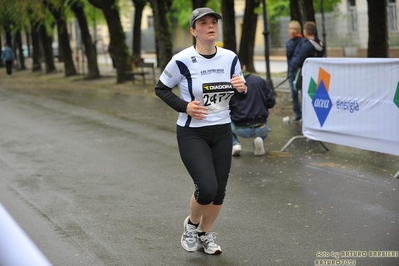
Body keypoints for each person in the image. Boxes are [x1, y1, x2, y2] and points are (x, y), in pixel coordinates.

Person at [154, 7, 247, 255]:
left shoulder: (230, 58)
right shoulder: (182, 60)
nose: (210, 26)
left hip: (223, 131)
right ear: (194, 31)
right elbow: (161, 89)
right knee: (206, 188)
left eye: (213, 21)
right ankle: (191, 227)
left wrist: (241, 90)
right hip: (192, 132)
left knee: (219, 191)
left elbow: (236, 101)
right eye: (203, 23)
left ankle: (205, 234)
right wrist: (185, 106)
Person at [230, 66, 275, 156]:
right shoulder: (259, 80)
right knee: (263, 126)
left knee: (223, 120)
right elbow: (271, 102)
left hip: (239, 127)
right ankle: (259, 140)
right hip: (261, 126)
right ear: (244, 67)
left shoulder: (229, 84)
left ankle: (235, 144)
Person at [285, 20, 305, 123]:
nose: (292, 31)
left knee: (302, 93)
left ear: (298, 30)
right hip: (291, 71)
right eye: (291, 29)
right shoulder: (289, 42)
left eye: (295, 29)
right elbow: (288, 58)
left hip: (299, 71)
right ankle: (297, 113)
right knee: (293, 94)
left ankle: (305, 115)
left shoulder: (302, 41)